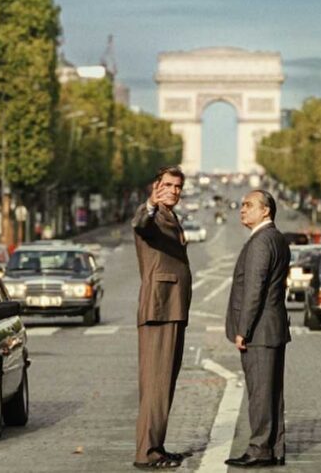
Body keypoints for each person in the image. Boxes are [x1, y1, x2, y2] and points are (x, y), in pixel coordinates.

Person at [224, 190, 290, 468]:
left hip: (260, 330)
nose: (242, 209)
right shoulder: (277, 238)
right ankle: (274, 447)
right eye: (242, 205)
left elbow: (254, 289)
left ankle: (259, 449)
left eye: (249, 205)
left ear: (266, 211)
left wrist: (243, 329)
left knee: (261, 393)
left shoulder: (260, 241)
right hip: (272, 327)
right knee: (272, 392)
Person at [131, 166, 192, 469]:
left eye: (178, 186)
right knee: (156, 383)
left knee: (163, 383)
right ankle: (147, 453)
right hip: (160, 307)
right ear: (156, 187)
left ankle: (156, 446)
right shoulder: (152, 215)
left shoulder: (171, 216)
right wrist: (151, 205)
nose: (173, 191)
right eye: (167, 185)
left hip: (171, 307)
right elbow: (140, 224)